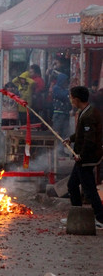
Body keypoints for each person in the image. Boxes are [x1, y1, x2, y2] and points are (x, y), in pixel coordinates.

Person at [63, 86, 103, 228]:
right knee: (72, 185)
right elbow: (81, 135)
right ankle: (77, 215)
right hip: (82, 157)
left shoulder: (89, 115)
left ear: (77, 99)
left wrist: (82, 156)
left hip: (87, 158)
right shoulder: (83, 112)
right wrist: (71, 139)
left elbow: (90, 140)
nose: (70, 99)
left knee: (89, 189)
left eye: (71, 97)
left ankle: (100, 218)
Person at [51, 72, 71, 158]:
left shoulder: (65, 90)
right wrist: (68, 93)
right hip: (58, 115)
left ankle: (61, 151)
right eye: (65, 81)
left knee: (64, 134)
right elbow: (62, 96)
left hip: (65, 114)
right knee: (57, 133)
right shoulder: (56, 88)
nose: (66, 83)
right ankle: (55, 152)